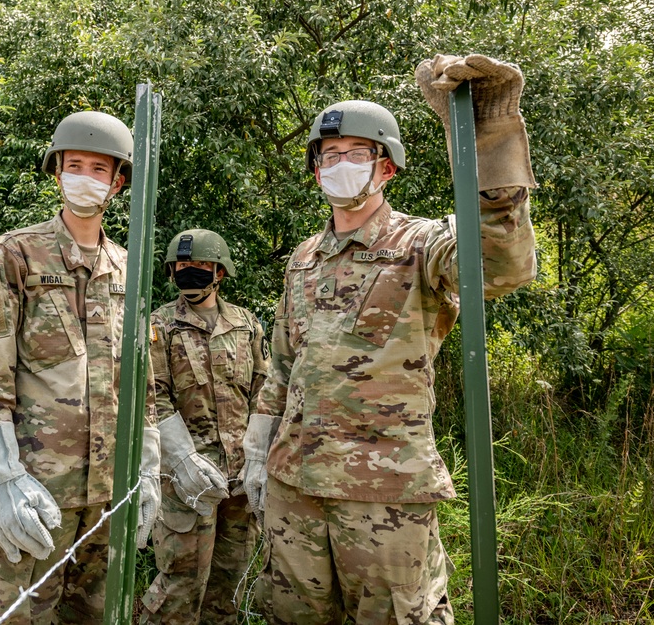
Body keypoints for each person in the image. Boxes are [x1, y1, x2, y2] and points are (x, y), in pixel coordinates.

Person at [241, 54, 538, 624]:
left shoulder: (421, 244)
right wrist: (258, 453)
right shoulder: (304, 258)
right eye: (331, 156)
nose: (341, 165)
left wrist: (487, 149)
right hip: (293, 488)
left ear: (387, 168)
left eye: (357, 155)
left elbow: (502, 267)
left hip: (384, 494)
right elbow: (282, 365)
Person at [0, 110, 161, 625]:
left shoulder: (129, 268)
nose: (83, 177)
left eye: (98, 168)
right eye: (74, 164)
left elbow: (142, 381)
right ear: (57, 170)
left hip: (108, 496)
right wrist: (0, 480)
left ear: (117, 182)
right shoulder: (12, 254)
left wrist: (149, 468)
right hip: (32, 492)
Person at [140, 229, 269, 625]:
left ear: (219, 272)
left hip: (238, 481)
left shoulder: (246, 325)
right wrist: (182, 458)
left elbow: (265, 391)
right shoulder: (159, 325)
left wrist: (260, 458)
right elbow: (153, 396)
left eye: (198, 266)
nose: (189, 272)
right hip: (185, 482)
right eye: (181, 266)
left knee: (227, 586)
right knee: (180, 583)